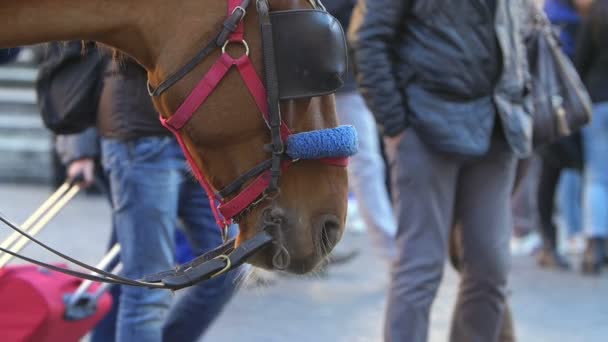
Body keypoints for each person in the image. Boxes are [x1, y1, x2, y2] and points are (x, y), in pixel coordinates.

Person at [349, 0, 537, 341]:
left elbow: (522, 31)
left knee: (491, 268)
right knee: (420, 268)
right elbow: (368, 37)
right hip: (423, 126)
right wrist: (396, 126)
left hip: (498, 124)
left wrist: (519, 102)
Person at [54, 48, 239, 341]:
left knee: (228, 268)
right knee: (147, 283)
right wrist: (78, 148)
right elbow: (80, 38)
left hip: (200, 141)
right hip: (140, 136)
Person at [323, 0, 396, 261]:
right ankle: (392, 252)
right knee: (363, 164)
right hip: (324, 72)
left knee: (364, 164)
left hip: (343, 74)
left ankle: (391, 251)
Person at [534, 0, 587, 270]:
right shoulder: (556, 18)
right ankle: (548, 242)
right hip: (555, 105)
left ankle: (558, 241)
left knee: (557, 173)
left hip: (574, 105)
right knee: (551, 171)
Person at [575, 0, 608, 274]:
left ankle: (595, 244)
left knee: (597, 177)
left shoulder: (596, 13)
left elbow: (580, 61)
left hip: (598, 100)